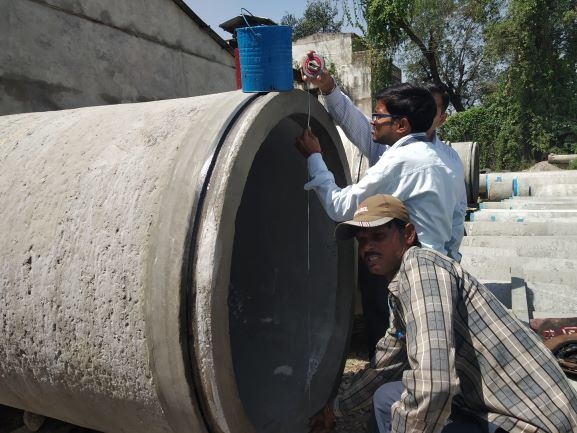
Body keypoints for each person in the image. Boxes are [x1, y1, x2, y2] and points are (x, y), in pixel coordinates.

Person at [309, 194, 577, 433]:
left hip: (533, 422)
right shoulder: (402, 290)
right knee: (387, 397)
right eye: (362, 240)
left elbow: (435, 383)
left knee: (400, 404)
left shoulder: (422, 269)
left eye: (378, 236)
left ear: (408, 234)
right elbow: (384, 366)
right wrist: (335, 409)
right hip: (505, 410)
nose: (367, 248)